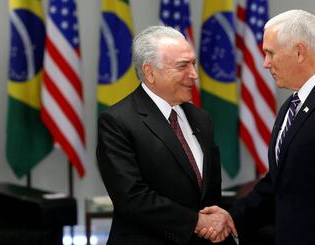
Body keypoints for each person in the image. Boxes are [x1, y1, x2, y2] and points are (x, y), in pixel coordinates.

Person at [200, 9, 315, 245]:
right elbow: (280, 183)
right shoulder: (292, 105)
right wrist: (232, 217)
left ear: (299, 52)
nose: (265, 63)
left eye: (270, 53)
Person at [96, 25, 237, 245]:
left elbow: (209, 192)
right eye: (183, 66)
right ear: (150, 72)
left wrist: (216, 220)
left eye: (193, 63)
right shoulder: (117, 121)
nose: (194, 74)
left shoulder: (201, 118)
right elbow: (131, 197)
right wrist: (196, 223)